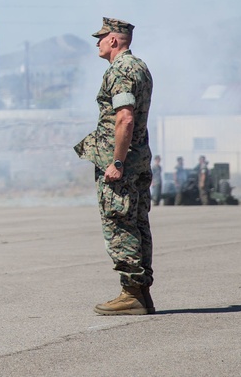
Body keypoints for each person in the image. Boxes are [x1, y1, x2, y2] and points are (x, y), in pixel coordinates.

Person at [74, 17, 155, 315]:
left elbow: (125, 118)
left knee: (119, 222)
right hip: (139, 160)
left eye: (101, 37)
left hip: (122, 163)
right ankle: (141, 293)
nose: (97, 42)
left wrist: (116, 162)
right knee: (137, 223)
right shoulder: (140, 67)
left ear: (113, 40)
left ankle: (131, 293)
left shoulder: (121, 70)